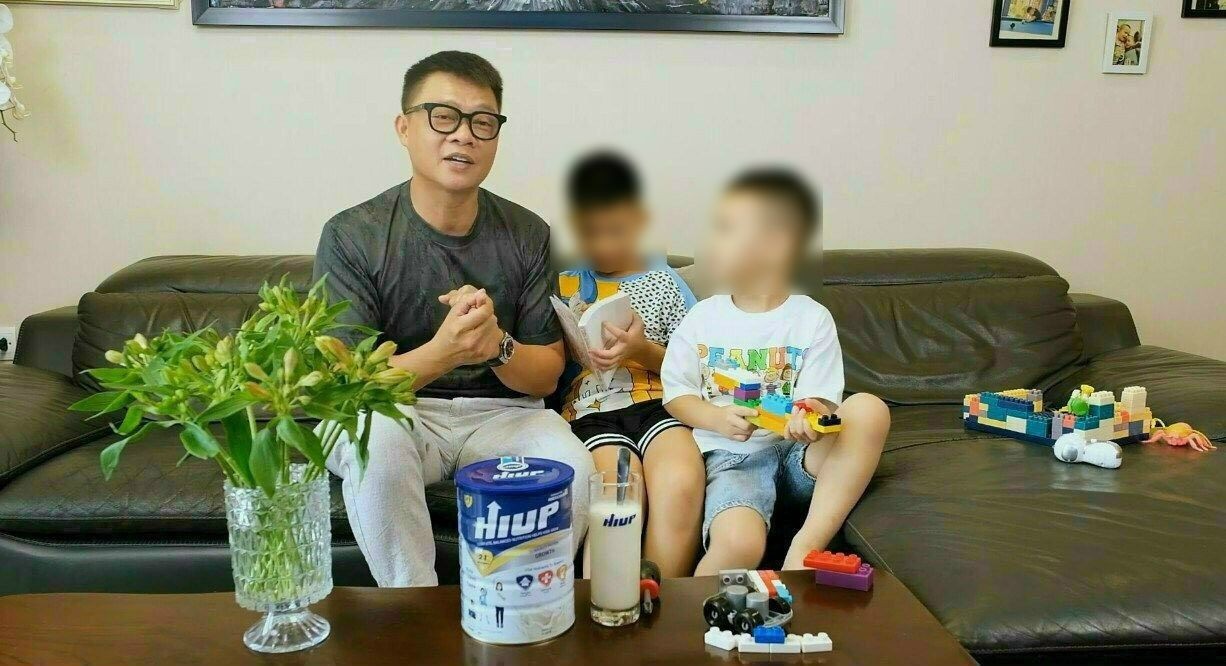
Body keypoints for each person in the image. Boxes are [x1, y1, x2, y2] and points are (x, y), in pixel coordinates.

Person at [313, 51, 595, 587]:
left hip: (501, 416)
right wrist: (446, 351)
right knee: (376, 437)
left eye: (482, 122)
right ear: (404, 128)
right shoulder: (352, 235)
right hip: (399, 410)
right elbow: (345, 389)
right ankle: (413, 608)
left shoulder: (527, 232)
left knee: (573, 468)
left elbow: (545, 377)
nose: (463, 134)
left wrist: (497, 346)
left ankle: (522, 610)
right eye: (443, 116)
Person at [660, 168, 891, 574]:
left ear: (776, 243)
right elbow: (677, 394)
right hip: (733, 461)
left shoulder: (812, 318)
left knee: (869, 408)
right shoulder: (702, 318)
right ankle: (692, 609)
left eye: (725, 229)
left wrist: (810, 416)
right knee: (739, 544)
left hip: (798, 457)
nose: (710, 242)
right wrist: (716, 417)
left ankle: (805, 546)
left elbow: (821, 400)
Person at [556, 151, 705, 577]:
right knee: (617, 492)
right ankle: (607, 601)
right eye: (589, 233)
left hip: (660, 403)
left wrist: (641, 350)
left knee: (679, 481)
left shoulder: (665, 283)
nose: (602, 245)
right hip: (593, 410)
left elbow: (698, 368)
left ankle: (659, 595)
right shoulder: (568, 283)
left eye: (615, 231)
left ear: (639, 222)